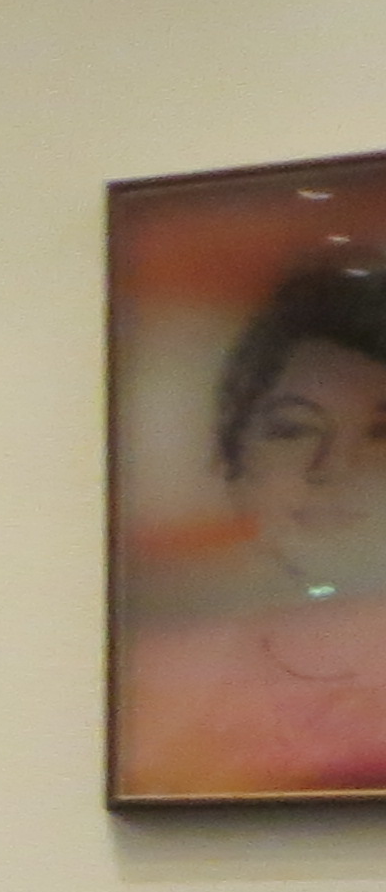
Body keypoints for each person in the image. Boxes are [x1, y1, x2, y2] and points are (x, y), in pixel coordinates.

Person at [119, 257, 386, 796]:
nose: (332, 468)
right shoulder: (154, 678)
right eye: (293, 430)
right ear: (232, 457)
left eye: (381, 434)